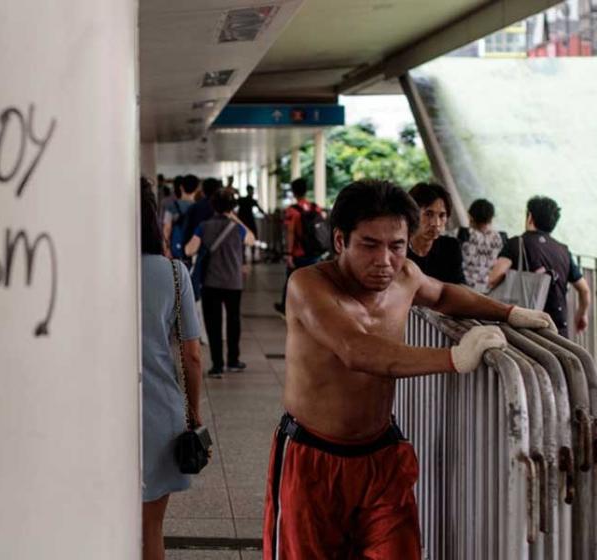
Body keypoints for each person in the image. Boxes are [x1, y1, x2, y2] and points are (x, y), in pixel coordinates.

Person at [263, 179, 555, 559]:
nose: (385, 260)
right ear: (340, 241)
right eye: (369, 245)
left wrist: (510, 313)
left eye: (396, 246)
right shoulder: (308, 285)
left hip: (381, 456)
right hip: (312, 459)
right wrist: (453, 358)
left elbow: (446, 294)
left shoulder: (406, 276)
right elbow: (356, 350)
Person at [139, 179, 204, 560]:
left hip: (97, 415)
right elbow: (192, 356)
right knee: (151, 528)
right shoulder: (174, 273)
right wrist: (193, 414)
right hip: (159, 412)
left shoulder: (92, 271)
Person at [489, 196, 591, 337]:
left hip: (525, 330)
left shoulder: (516, 243)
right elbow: (584, 290)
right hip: (557, 328)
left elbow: (494, 278)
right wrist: (582, 315)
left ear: (530, 216)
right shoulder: (563, 250)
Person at [185, 189, 255, 377]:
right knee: (233, 321)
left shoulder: (204, 226)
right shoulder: (237, 228)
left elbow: (189, 250)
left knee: (213, 324)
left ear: (213, 206)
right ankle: (233, 360)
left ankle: (217, 365)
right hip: (233, 282)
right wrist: (235, 218)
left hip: (211, 282)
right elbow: (251, 239)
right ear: (232, 207)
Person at [274, 178, 327, 316]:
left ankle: (286, 307)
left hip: (299, 253)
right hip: (315, 252)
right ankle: (313, 308)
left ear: (293, 192)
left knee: (292, 281)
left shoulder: (292, 211)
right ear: (305, 190)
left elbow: (290, 232)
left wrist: (289, 254)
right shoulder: (316, 207)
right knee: (313, 281)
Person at [407, 182, 466, 284]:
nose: (436, 223)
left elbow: (459, 287)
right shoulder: (398, 248)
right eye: (428, 214)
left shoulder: (451, 247)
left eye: (442, 215)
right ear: (412, 214)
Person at [458, 199, 506, 293]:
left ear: (470, 216)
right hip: (488, 291)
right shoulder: (501, 238)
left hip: (462, 289)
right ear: (491, 218)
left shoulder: (462, 234)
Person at [181, 177, 220, 254]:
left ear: (203, 192)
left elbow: (186, 230)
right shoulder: (222, 209)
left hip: (199, 249)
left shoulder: (194, 207)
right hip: (219, 251)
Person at [162, 175, 197, 262]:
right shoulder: (199, 208)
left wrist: (166, 248)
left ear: (181, 187)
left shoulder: (171, 207)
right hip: (193, 250)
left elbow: (167, 228)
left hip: (175, 249)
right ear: (197, 189)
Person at [237, 185, 266, 263]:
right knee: (252, 238)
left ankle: (244, 257)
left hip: (243, 222)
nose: (252, 192)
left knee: (243, 239)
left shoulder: (242, 200)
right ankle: (251, 257)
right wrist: (266, 215)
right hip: (249, 222)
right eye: (252, 191)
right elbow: (260, 210)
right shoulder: (250, 200)